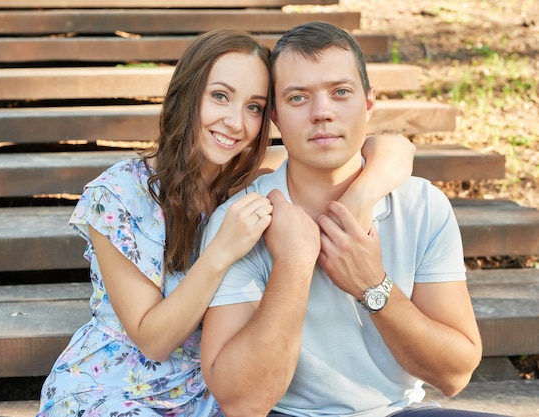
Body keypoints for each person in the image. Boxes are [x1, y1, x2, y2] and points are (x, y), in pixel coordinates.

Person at [36, 28, 416, 417]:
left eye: (253, 107)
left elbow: (396, 149)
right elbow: (154, 340)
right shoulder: (118, 194)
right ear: (186, 95)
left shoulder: (249, 181)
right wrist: (220, 251)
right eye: (220, 96)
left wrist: (359, 198)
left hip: (214, 392)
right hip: (118, 391)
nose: (235, 122)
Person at [199, 22, 506, 417]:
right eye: (298, 98)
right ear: (275, 116)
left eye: (340, 92)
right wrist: (293, 267)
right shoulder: (242, 219)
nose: (322, 113)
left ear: (369, 103)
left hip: (397, 411)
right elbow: (242, 403)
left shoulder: (421, 205)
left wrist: (372, 287)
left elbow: (454, 374)